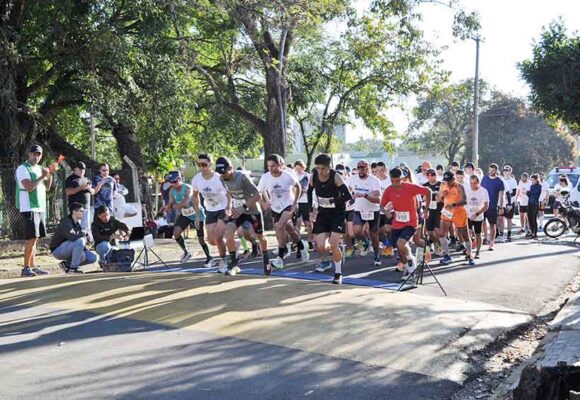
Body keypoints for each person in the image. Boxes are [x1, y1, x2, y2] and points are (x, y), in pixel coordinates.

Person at [217, 156, 269, 276]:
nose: (222, 175)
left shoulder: (242, 177)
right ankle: (233, 264)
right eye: (220, 173)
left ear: (231, 168)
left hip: (252, 211)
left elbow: (257, 195)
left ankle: (266, 260)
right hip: (238, 211)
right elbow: (230, 193)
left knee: (261, 237)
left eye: (224, 172)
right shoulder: (222, 178)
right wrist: (229, 205)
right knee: (228, 233)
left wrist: (244, 207)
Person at [308, 153, 353, 284]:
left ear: (329, 168)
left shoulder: (336, 177)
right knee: (320, 246)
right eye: (317, 168)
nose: (320, 171)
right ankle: (328, 260)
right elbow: (309, 191)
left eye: (323, 168)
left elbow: (348, 196)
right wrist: (311, 209)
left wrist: (334, 200)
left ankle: (338, 273)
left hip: (337, 213)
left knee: (333, 244)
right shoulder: (314, 176)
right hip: (323, 212)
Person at [258, 154, 307, 269]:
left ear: (280, 165)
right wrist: (264, 203)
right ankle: (301, 245)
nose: (271, 168)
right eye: (269, 166)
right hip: (276, 207)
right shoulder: (265, 177)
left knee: (280, 227)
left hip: (288, 204)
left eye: (273, 166)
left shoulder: (287, 176)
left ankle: (280, 256)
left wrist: (295, 202)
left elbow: (298, 187)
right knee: (289, 229)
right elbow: (258, 193)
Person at [381, 167, 431, 279]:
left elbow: (428, 192)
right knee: (399, 248)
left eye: (397, 181)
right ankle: (408, 270)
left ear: (402, 178)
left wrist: (426, 209)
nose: (395, 183)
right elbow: (381, 204)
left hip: (411, 222)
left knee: (401, 243)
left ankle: (411, 262)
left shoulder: (409, 187)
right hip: (397, 222)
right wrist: (385, 212)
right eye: (392, 181)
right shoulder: (389, 190)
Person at [15, 144, 56, 277]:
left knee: (35, 238)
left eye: (39, 154)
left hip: (40, 206)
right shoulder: (22, 168)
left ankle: (32, 266)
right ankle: (26, 267)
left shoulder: (40, 169)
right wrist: (42, 176)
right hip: (28, 206)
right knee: (31, 238)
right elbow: (29, 187)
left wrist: (49, 175)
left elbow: (48, 188)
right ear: (29, 154)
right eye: (34, 154)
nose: (36, 156)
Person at [191, 153, 230, 270]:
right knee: (212, 241)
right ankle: (235, 243)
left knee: (218, 237)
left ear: (210, 165)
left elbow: (229, 194)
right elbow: (195, 196)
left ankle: (223, 261)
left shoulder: (219, 178)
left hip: (222, 208)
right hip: (210, 210)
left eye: (204, 164)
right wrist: (197, 215)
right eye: (200, 165)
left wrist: (229, 206)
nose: (202, 167)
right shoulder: (196, 179)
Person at [164, 171, 211, 265]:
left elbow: (185, 203)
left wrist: (172, 207)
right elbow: (171, 202)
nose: (173, 184)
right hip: (186, 215)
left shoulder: (188, 188)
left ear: (180, 179)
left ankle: (209, 257)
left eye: (174, 182)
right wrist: (167, 206)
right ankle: (186, 252)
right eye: (171, 182)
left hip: (197, 214)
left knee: (201, 239)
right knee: (176, 233)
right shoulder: (172, 190)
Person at [348, 160, 382, 266]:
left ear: (368, 169)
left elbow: (378, 199)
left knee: (374, 235)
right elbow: (345, 188)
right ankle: (366, 242)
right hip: (359, 209)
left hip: (373, 210)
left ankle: (376, 255)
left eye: (363, 168)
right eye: (359, 168)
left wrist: (366, 196)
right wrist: (351, 196)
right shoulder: (352, 179)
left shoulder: (374, 180)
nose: (361, 170)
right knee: (356, 231)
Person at [437, 171, 473, 265]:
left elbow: (464, 201)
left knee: (464, 234)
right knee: (441, 233)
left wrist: (454, 204)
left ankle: (469, 254)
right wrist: (441, 195)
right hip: (447, 212)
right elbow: (438, 199)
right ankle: (447, 255)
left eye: (449, 181)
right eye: (446, 181)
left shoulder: (459, 186)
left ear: (453, 179)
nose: (447, 183)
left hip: (459, 212)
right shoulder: (443, 185)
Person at [50, 202, 97, 273]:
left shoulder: (77, 224)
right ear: (74, 211)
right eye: (81, 211)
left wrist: (87, 238)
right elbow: (72, 237)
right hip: (58, 250)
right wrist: (82, 234)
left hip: (69, 247)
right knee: (80, 241)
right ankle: (73, 268)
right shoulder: (66, 221)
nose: (83, 213)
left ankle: (66, 265)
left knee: (92, 258)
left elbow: (78, 239)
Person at [481, 164, 505, 251]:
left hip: (493, 206)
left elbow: (502, 195)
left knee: (492, 224)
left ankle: (491, 243)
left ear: (496, 170)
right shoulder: (484, 178)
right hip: (483, 205)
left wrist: (501, 207)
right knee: (482, 223)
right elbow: (480, 190)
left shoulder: (499, 181)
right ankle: (485, 238)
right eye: (490, 170)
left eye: (493, 170)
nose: (491, 171)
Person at [65, 161, 94, 231]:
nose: (82, 170)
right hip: (76, 208)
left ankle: (85, 241)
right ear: (75, 169)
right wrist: (81, 188)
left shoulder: (86, 179)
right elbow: (68, 192)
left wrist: (89, 188)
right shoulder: (71, 179)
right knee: (76, 228)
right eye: (80, 168)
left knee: (86, 229)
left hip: (86, 207)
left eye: (83, 169)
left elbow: (93, 192)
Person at [465, 175, 489, 259]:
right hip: (468, 216)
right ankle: (469, 252)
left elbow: (486, 206)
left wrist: (477, 214)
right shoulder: (467, 190)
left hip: (478, 216)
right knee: (468, 233)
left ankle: (478, 252)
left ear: (478, 182)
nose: (472, 185)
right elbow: (464, 203)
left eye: (474, 183)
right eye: (471, 183)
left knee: (478, 234)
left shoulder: (484, 191)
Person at [294, 160, 314, 249]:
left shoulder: (308, 176)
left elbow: (313, 188)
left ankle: (310, 240)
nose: (298, 170)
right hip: (297, 202)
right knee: (297, 222)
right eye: (296, 168)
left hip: (306, 202)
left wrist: (307, 191)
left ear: (303, 167)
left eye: (299, 168)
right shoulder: (293, 176)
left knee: (308, 223)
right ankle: (298, 241)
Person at [423, 168, 443, 254]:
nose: (431, 177)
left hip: (439, 210)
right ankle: (435, 243)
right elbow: (422, 198)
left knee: (437, 230)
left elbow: (445, 195)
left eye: (433, 175)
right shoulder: (425, 185)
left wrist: (441, 198)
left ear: (436, 175)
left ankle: (439, 246)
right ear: (427, 176)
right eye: (429, 176)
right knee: (430, 232)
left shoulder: (440, 184)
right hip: (429, 210)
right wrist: (424, 198)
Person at [376, 162, 394, 257]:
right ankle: (386, 244)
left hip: (389, 209)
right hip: (378, 209)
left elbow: (394, 195)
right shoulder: (375, 181)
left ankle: (390, 247)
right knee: (377, 230)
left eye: (382, 170)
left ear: (385, 170)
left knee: (388, 228)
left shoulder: (390, 181)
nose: (380, 172)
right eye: (378, 170)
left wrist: (389, 208)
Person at [498, 165, 517, 242]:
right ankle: (501, 234)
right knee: (501, 219)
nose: (505, 171)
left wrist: (506, 196)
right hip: (501, 203)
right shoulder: (500, 179)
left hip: (510, 202)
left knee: (509, 219)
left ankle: (509, 234)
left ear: (510, 171)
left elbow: (514, 192)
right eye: (504, 170)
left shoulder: (513, 181)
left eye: (507, 170)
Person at [526, 174, 543, 239]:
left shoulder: (539, 186)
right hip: (529, 203)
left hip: (535, 204)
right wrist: (527, 193)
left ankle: (535, 233)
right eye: (531, 180)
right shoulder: (531, 186)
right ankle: (531, 231)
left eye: (533, 180)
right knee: (529, 218)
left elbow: (535, 194)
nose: (532, 181)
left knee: (534, 219)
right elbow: (530, 195)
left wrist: (528, 192)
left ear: (536, 180)